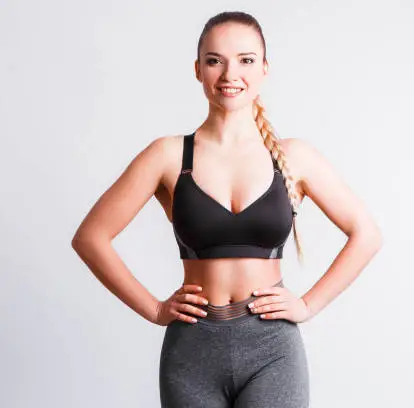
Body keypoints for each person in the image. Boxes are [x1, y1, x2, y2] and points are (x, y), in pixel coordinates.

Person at [71, 10, 383, 408]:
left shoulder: (292, 157)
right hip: (192, 349)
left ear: (265, 69)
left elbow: (366, 234)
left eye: (246, 60)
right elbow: (90, 237)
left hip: (273, 348)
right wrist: (153, 309)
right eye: (215, 60)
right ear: (198, 70)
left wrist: (308, 304)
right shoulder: (168, 155)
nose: (229, 73)